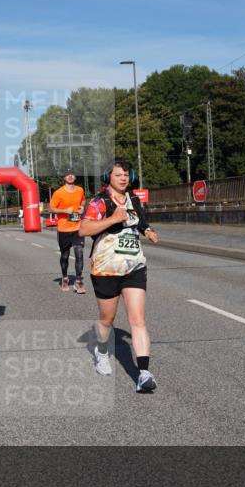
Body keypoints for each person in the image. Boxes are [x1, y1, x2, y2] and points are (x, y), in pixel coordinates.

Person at [79, 159, 160, 393]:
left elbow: (140, 221)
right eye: (118, 175)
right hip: (106, 268)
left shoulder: (133, 199)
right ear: (108, 178)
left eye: (126, 174)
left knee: (138, 319)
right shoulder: (99, 201)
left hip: (134, 266)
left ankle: (144, 373)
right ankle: (101, 351)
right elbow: (83, 229)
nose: (123, 178)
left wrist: (148, 231)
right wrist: (113, 219)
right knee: (107, 319)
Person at [48, 169, 87, 294]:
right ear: (64, 177)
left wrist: (82, 208)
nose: (70, 176)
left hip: (77, 228)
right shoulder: (58, 193)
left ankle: (78, 281)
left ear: (75, 177)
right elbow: (51, 208)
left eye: (72, 174)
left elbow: (83, 200)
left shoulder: (80, 190)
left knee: (79, 254)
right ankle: (65, 278)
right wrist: (65, 211)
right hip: (64, 229)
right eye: (67, 174)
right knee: (65, 256)